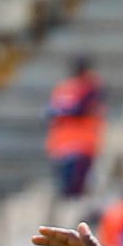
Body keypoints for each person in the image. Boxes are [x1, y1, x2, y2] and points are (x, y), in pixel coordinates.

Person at [45, 57, 104, 200]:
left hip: (72, 146)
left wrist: (63, 111)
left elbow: (52, 112)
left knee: (72, 192)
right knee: (71, 192)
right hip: (75, 145)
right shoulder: (89, 87)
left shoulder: (67, 88)